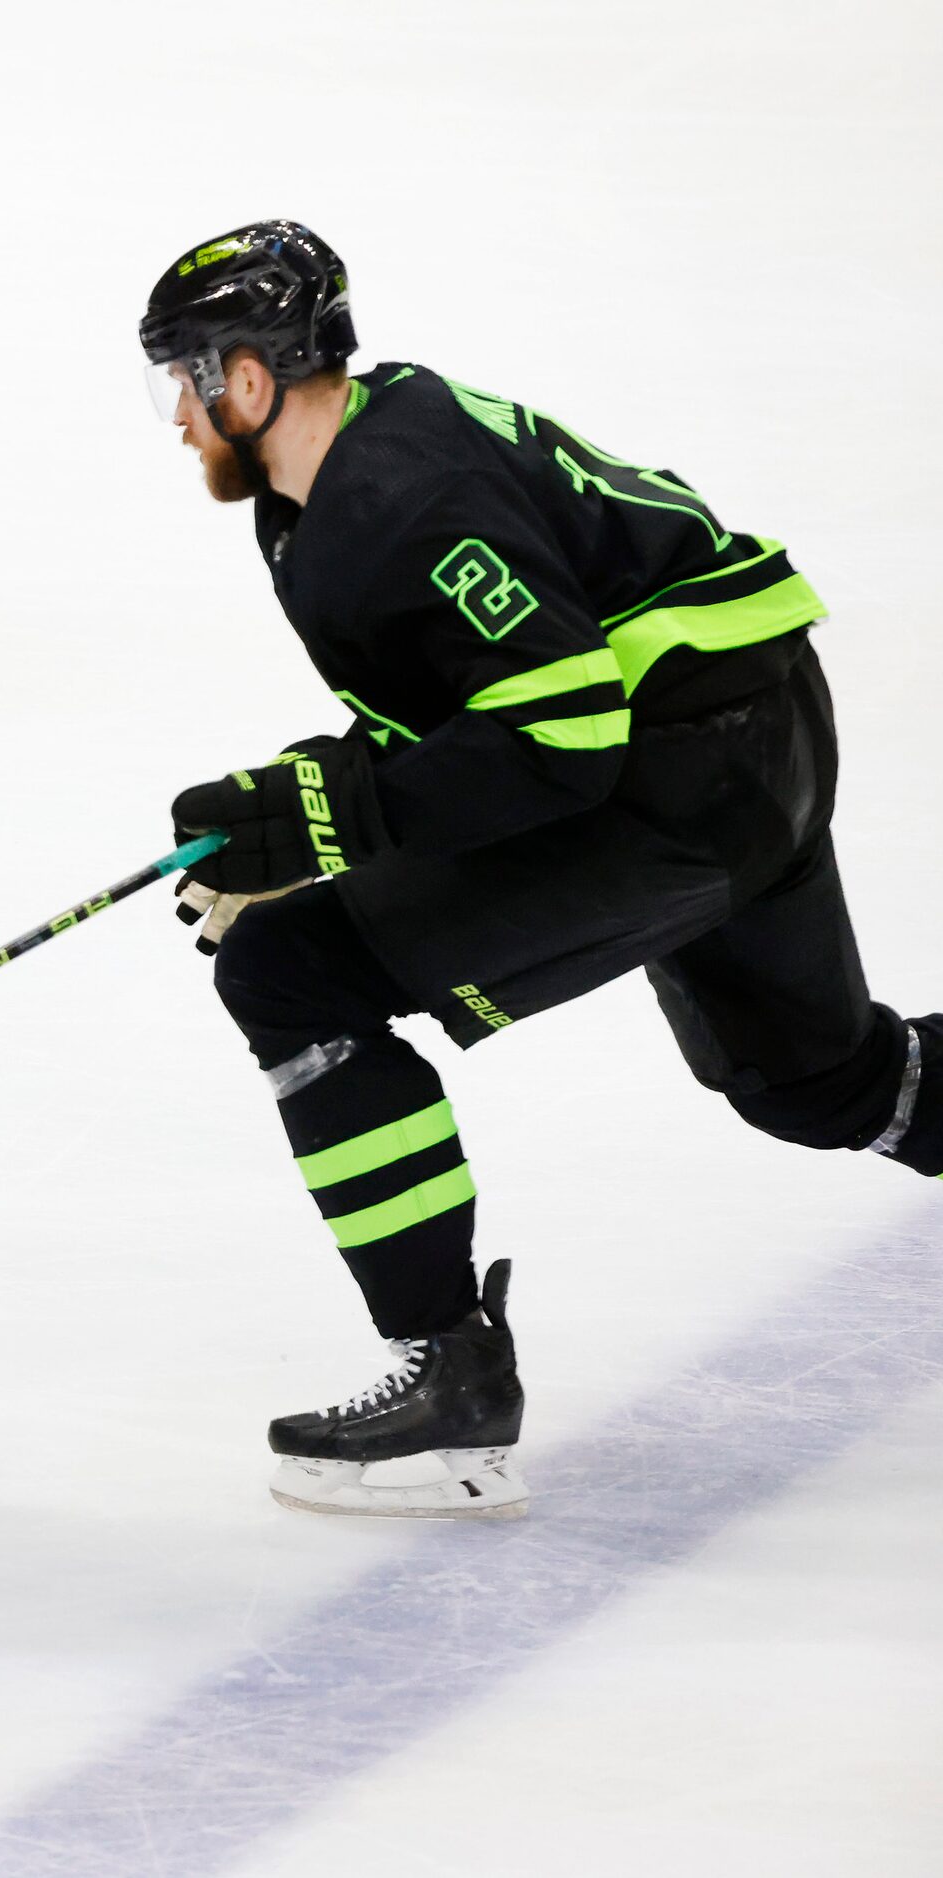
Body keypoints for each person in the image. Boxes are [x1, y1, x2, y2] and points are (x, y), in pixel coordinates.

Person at [142, 220, 943, 1518]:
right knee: (824, 1082)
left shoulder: (396, 494)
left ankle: (449, 1373)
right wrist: (306, 810)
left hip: (681, 781)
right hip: (743, 740)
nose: (176, 415)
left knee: (296, 972)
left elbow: (562, 735)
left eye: (182, 377)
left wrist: (332, 823)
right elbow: (473, 700)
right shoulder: (342, 475)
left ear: (246, 377)